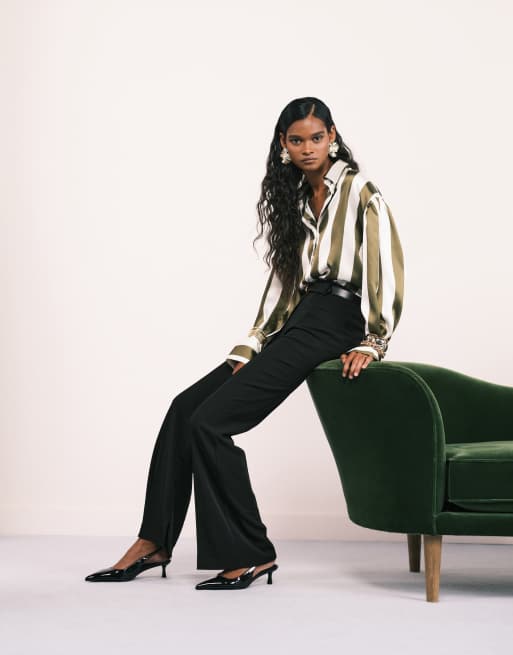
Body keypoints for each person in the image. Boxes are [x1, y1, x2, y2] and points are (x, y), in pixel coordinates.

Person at [84, 96, 404, 590]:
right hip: (298, 319)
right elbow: (284, 284)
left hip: (334, 322)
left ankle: (251, 553)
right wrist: (251, 346)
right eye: (296, 140)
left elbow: (386, 266)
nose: (307, 148)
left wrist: (374, 340)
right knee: (185, 409)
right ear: (283, 144)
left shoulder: (361, 191)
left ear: (333, 136)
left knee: (212, 423)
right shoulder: (296, 199)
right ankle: (153, 541)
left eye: (316, 138)